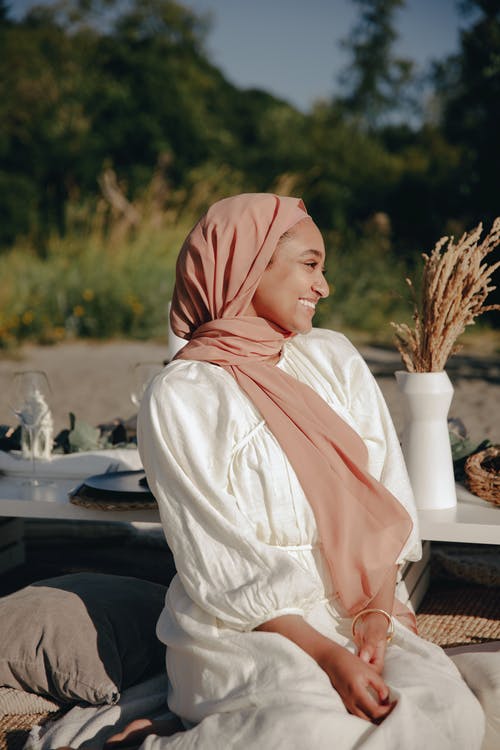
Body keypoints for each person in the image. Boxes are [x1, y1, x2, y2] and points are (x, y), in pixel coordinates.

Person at [114, 193, 485, 749]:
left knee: (449, 713)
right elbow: (219, 564)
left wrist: (377, 618)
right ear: (245, 264)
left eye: (324, 268)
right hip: (242, 628)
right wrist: (328, 658)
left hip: (358, 605)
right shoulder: (182, 396)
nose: (324, 286)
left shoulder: (331, 357)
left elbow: (387, 499)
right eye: (310, 264)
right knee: (311, 733)